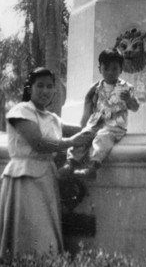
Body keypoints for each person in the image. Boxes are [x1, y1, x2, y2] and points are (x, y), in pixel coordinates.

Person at [0, 67, 86, 258]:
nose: (45, 91)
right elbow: (39, 143)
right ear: (30, 88)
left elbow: (82, 131)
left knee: (46, 235)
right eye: (40, 86)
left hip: (46, 178)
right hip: (24, 178)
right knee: (31, 235)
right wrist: (71, 142)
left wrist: (98, 120)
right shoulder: (21, 111)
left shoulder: (53, 118)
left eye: (50, 87)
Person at [60, 48, 140, 180]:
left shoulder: (127, 87)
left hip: (115, 126)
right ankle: (71, 163)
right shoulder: (96, 87)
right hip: (96, 122)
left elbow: (135, 107)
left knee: (102, 137)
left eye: (114, 68)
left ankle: (92, 167)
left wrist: (129, 100)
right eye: (106, 68)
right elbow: (89, 106)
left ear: (121, 69)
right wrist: (84, 125)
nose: (109, 72)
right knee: (84, 136)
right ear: (100, 69)